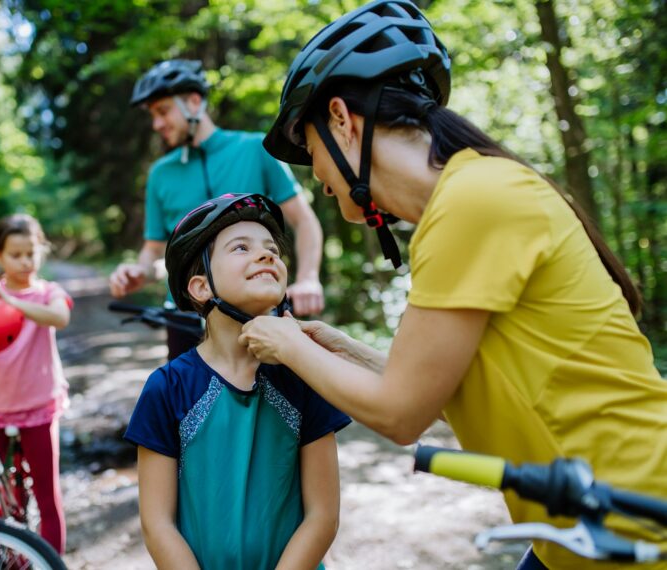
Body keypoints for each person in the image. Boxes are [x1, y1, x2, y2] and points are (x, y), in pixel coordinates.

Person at [239, 1, 667, 569]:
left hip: (635, 522)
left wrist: (288, 345)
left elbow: (402, 415)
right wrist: (339, 350)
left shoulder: (473, 202)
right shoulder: (466, 200)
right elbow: (439, 393)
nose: (316, 178)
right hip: (577, 530)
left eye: (311, 151)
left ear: (341, 119)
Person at [124, 193, 350, 569]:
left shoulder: (306, 374)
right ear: (200, 287)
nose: (267, 255)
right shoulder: (167, 388)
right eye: (241, 247)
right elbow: (157, 524)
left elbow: (323, 516)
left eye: (272, 249)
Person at [109, 58, 326, 360]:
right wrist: (140, 271)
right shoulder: (160, 174)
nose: (157, 124)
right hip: (185, 318)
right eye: (153, 116)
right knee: (187, 405)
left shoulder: (255, 150)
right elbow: (155, 251)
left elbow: (304, 221)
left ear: (194, 102)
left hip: (259, 313)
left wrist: (308, 278)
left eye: (163, 111)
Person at [0, 213, 71, 562]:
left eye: (30, 253)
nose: (24, 262)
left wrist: (11, 301)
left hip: (39, 408)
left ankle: (47, 563)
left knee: (47, 499)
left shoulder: (49, 292)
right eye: (15, 255)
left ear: (41, 251)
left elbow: (59, 318)